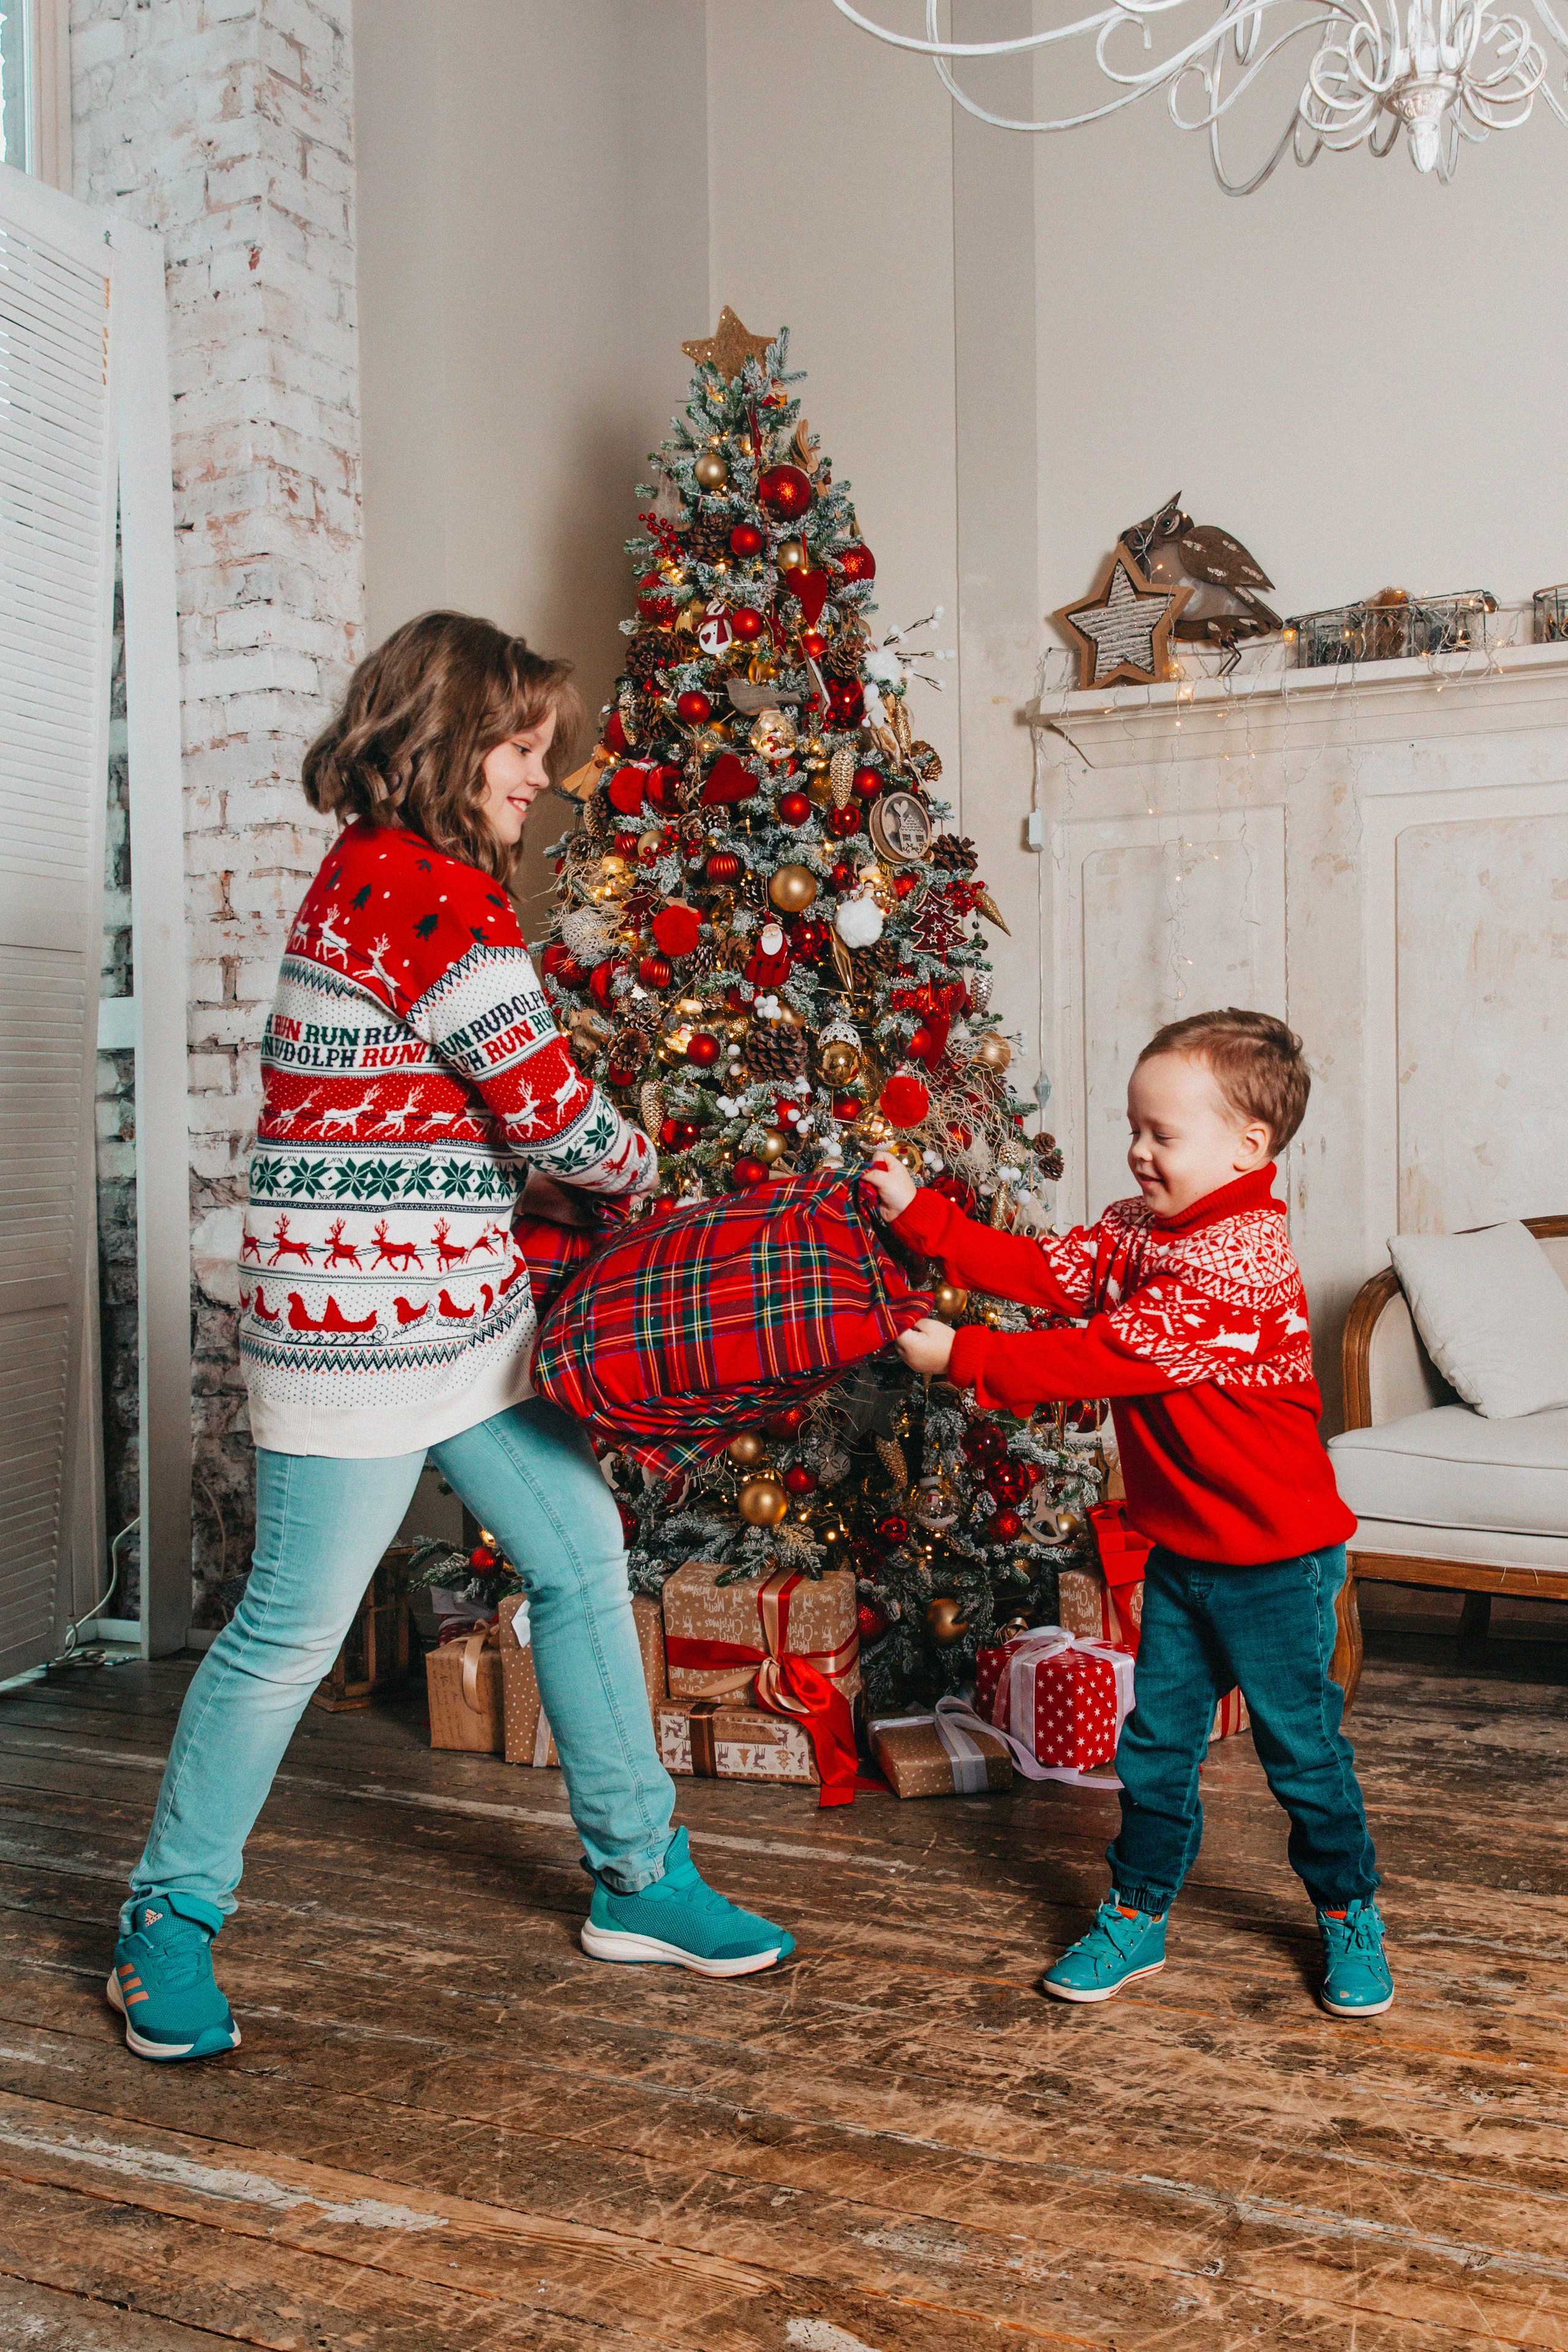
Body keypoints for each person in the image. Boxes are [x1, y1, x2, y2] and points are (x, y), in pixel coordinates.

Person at [108, 613, 794, 2064]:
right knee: (286, 1637)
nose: (538, 779)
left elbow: (442, 1108)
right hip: (359, 1339)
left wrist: (520, 1167)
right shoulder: (425, 893)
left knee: (579, 1553)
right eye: (521, 749)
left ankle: (638, 1879)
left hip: (462, 1324)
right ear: (445, 738)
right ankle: (164, 1923)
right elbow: (545, 1108)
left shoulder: (379, 881)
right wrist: (633, 1166)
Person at [862, 1008, 1390, 2018]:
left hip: (1278, 1567)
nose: (1141, 1153)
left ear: (1251, 1147)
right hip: (1185, 1559)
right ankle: (1138, 1912)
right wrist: (918, 1215)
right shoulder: (1141, 1231)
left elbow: (1096, 1356)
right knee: (1153, 1748)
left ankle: (1347, 1911)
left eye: (1165, 1135)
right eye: (1135, 1129)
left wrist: (961, 1356)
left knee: (1303, 1755)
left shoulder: (1236, 1264)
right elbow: (1047, 1271)